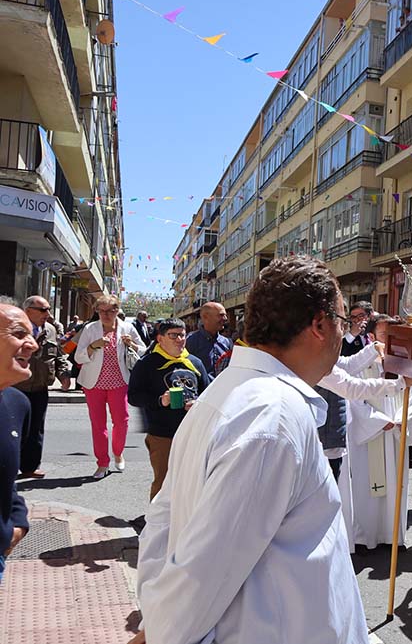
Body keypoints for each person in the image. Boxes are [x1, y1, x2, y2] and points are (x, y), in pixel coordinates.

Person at [136, 255, 368, 644]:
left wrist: (155, 616)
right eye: (342, 323)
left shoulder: (228, 392)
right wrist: (161, 630)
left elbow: (162, 523)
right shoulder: (273, 419)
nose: (341, 337)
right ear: (319, 325)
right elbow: (205, 569)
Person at [320, 316, 410, 552]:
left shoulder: (402, 359)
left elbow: (346, 366)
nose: (345, 330)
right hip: (363, 431)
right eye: (382, 335)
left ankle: (392, 535)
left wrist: (402, 417)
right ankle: (363, 537)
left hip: (394, 431)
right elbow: (352, 389)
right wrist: (381, 419)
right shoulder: (316, 357)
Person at [126, 319, 210, 500]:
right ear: (160, 338)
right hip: (162, 435)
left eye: (182, 335)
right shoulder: (147, 363)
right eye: (173, 335)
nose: (179, 339)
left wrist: (198, 404)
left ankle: (183, 523)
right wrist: (160, 400)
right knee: (164, 483)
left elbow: (208, 393)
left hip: (192, 433)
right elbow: (133, 397)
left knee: (191, 483)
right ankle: (156, 525)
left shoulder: (195, 363)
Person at [74, 294, 145, 479]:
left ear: (117, 311)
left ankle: (118, 452)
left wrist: (133, 345)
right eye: (101, 310)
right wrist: (93, 346)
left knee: (121, 421)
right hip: (93, 383)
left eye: (110, 310)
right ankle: (102, 463)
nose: (105, 314)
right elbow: (78, 356)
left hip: (119, 382)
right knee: (98, 425)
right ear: (97, 311)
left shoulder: (127, 328)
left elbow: (145, 350)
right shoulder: (90, 329)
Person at [0, 299, 37, 583]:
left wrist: (17, 523)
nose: (33, 344)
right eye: (19, 334)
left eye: (31, 334)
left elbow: (7, 480)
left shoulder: (17, 403)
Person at [14, 296, 68, 479]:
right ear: (28, 310)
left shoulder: (51, 330)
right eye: (43, 310)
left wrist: (63, 374)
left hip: (40, 386)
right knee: (14, 429)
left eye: (48, 309)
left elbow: (58, 354)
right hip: (16, 386)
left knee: (36, 428)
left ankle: (30, 467)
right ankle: (10, 466)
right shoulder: (14, 329)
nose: (48, 314)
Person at [184, 302, 231, 377]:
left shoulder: (227, 342)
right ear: (205, 317)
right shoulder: (189, 341)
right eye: (221, 315)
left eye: (225, 315)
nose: (225, 319)